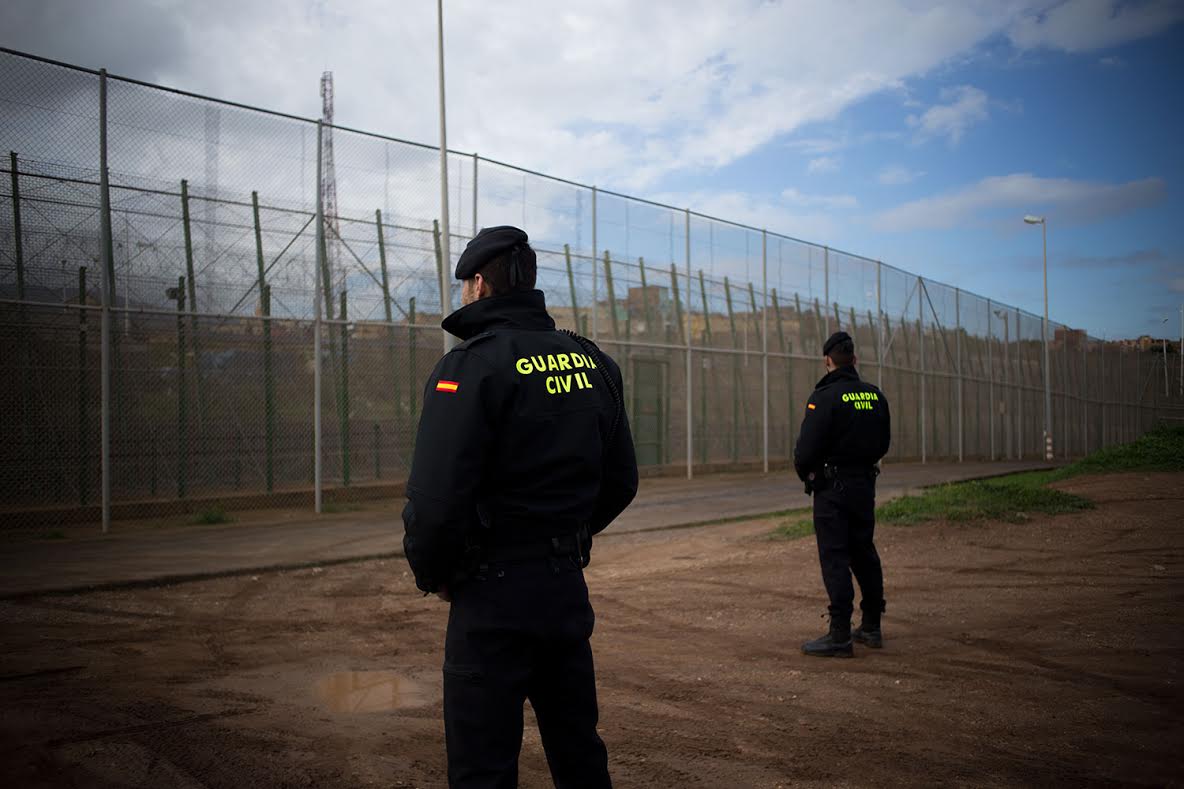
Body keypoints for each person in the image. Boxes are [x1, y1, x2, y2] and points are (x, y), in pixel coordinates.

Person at [401, 225, 638, 788]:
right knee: (578, 751)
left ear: (479, 285)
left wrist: (436, 574)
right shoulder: (593, 363)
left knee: (482, 764)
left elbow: (436, 502)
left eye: (464, 284)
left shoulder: (471, 366)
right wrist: (565, 536)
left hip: (492, 595)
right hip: (563, 588)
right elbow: (621, 481)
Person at [793, 331, 891, 658]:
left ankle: (839, 634)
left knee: (834, 555)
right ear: (854, 360)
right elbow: (883, 443)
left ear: (827, 361)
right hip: (864, 484)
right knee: (863, 551)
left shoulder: (825, 397)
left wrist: (809, 475)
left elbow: (805, 450)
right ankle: (872, 625)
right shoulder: (875, 396)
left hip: (832, 488)